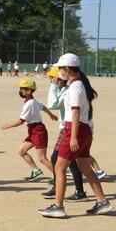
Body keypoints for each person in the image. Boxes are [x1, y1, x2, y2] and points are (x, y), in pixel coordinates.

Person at [38, 53, 113, 218]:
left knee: (59, 168)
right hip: (84, 130)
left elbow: (76, 112)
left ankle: (58, 206)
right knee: (85, 168)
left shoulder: (74, 86)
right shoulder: (80, 84)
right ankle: (102, 202)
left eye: (60, 68)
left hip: (74, 129)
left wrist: (72, 137)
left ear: (67, 68)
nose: (59, 71)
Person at [42, 66, 87, 202]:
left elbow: (53, 104)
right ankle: (79, 191)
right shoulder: (64, 89)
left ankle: (61, 189)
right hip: (66, 128)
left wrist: (53, 86)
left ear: (60, 79)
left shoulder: (67, 90)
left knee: (57, 158)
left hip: (69, 128)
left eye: (52, 77)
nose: (50, 80)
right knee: (72, 161)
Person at [1, 78, 58, 182]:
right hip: (33, 131)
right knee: (21, 151)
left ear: (28, 91)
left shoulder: (29, 104)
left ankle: (59, 177)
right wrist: (51, 114)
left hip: (38, 131)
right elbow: (43, 107)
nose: (20, 91)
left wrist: (7, 126)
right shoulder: (31, 101)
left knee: (42, 158)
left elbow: (21, 121)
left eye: (22, 89)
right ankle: (36, 171)